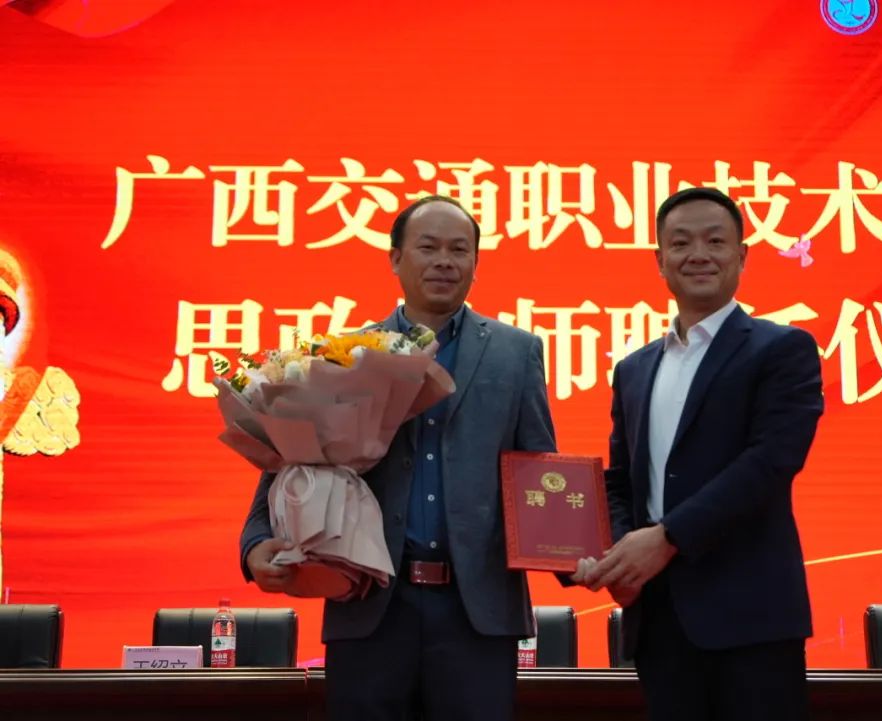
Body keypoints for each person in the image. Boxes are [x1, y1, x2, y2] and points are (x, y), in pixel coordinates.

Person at [240, 195, 557, 721]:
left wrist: (572, 550)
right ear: (394, 258)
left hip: (475, 614)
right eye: (428, 248)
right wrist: (254, 545)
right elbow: (288, 462)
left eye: (459, 250)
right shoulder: (343, 355)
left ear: (476, 263)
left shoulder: (515, 352)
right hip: (370, 603)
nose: (444, 261)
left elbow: (539, 466)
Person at [585, 187, 824, 720]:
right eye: (681, 243)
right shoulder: (634, 369)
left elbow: (771, 462)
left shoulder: (782, 349)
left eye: (715, 241)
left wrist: (667, 538)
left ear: (742, 255)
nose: (698, 254)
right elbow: (622, 480)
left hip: (751, 617)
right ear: (660, 260)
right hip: (659, 618)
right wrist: (622, 557)